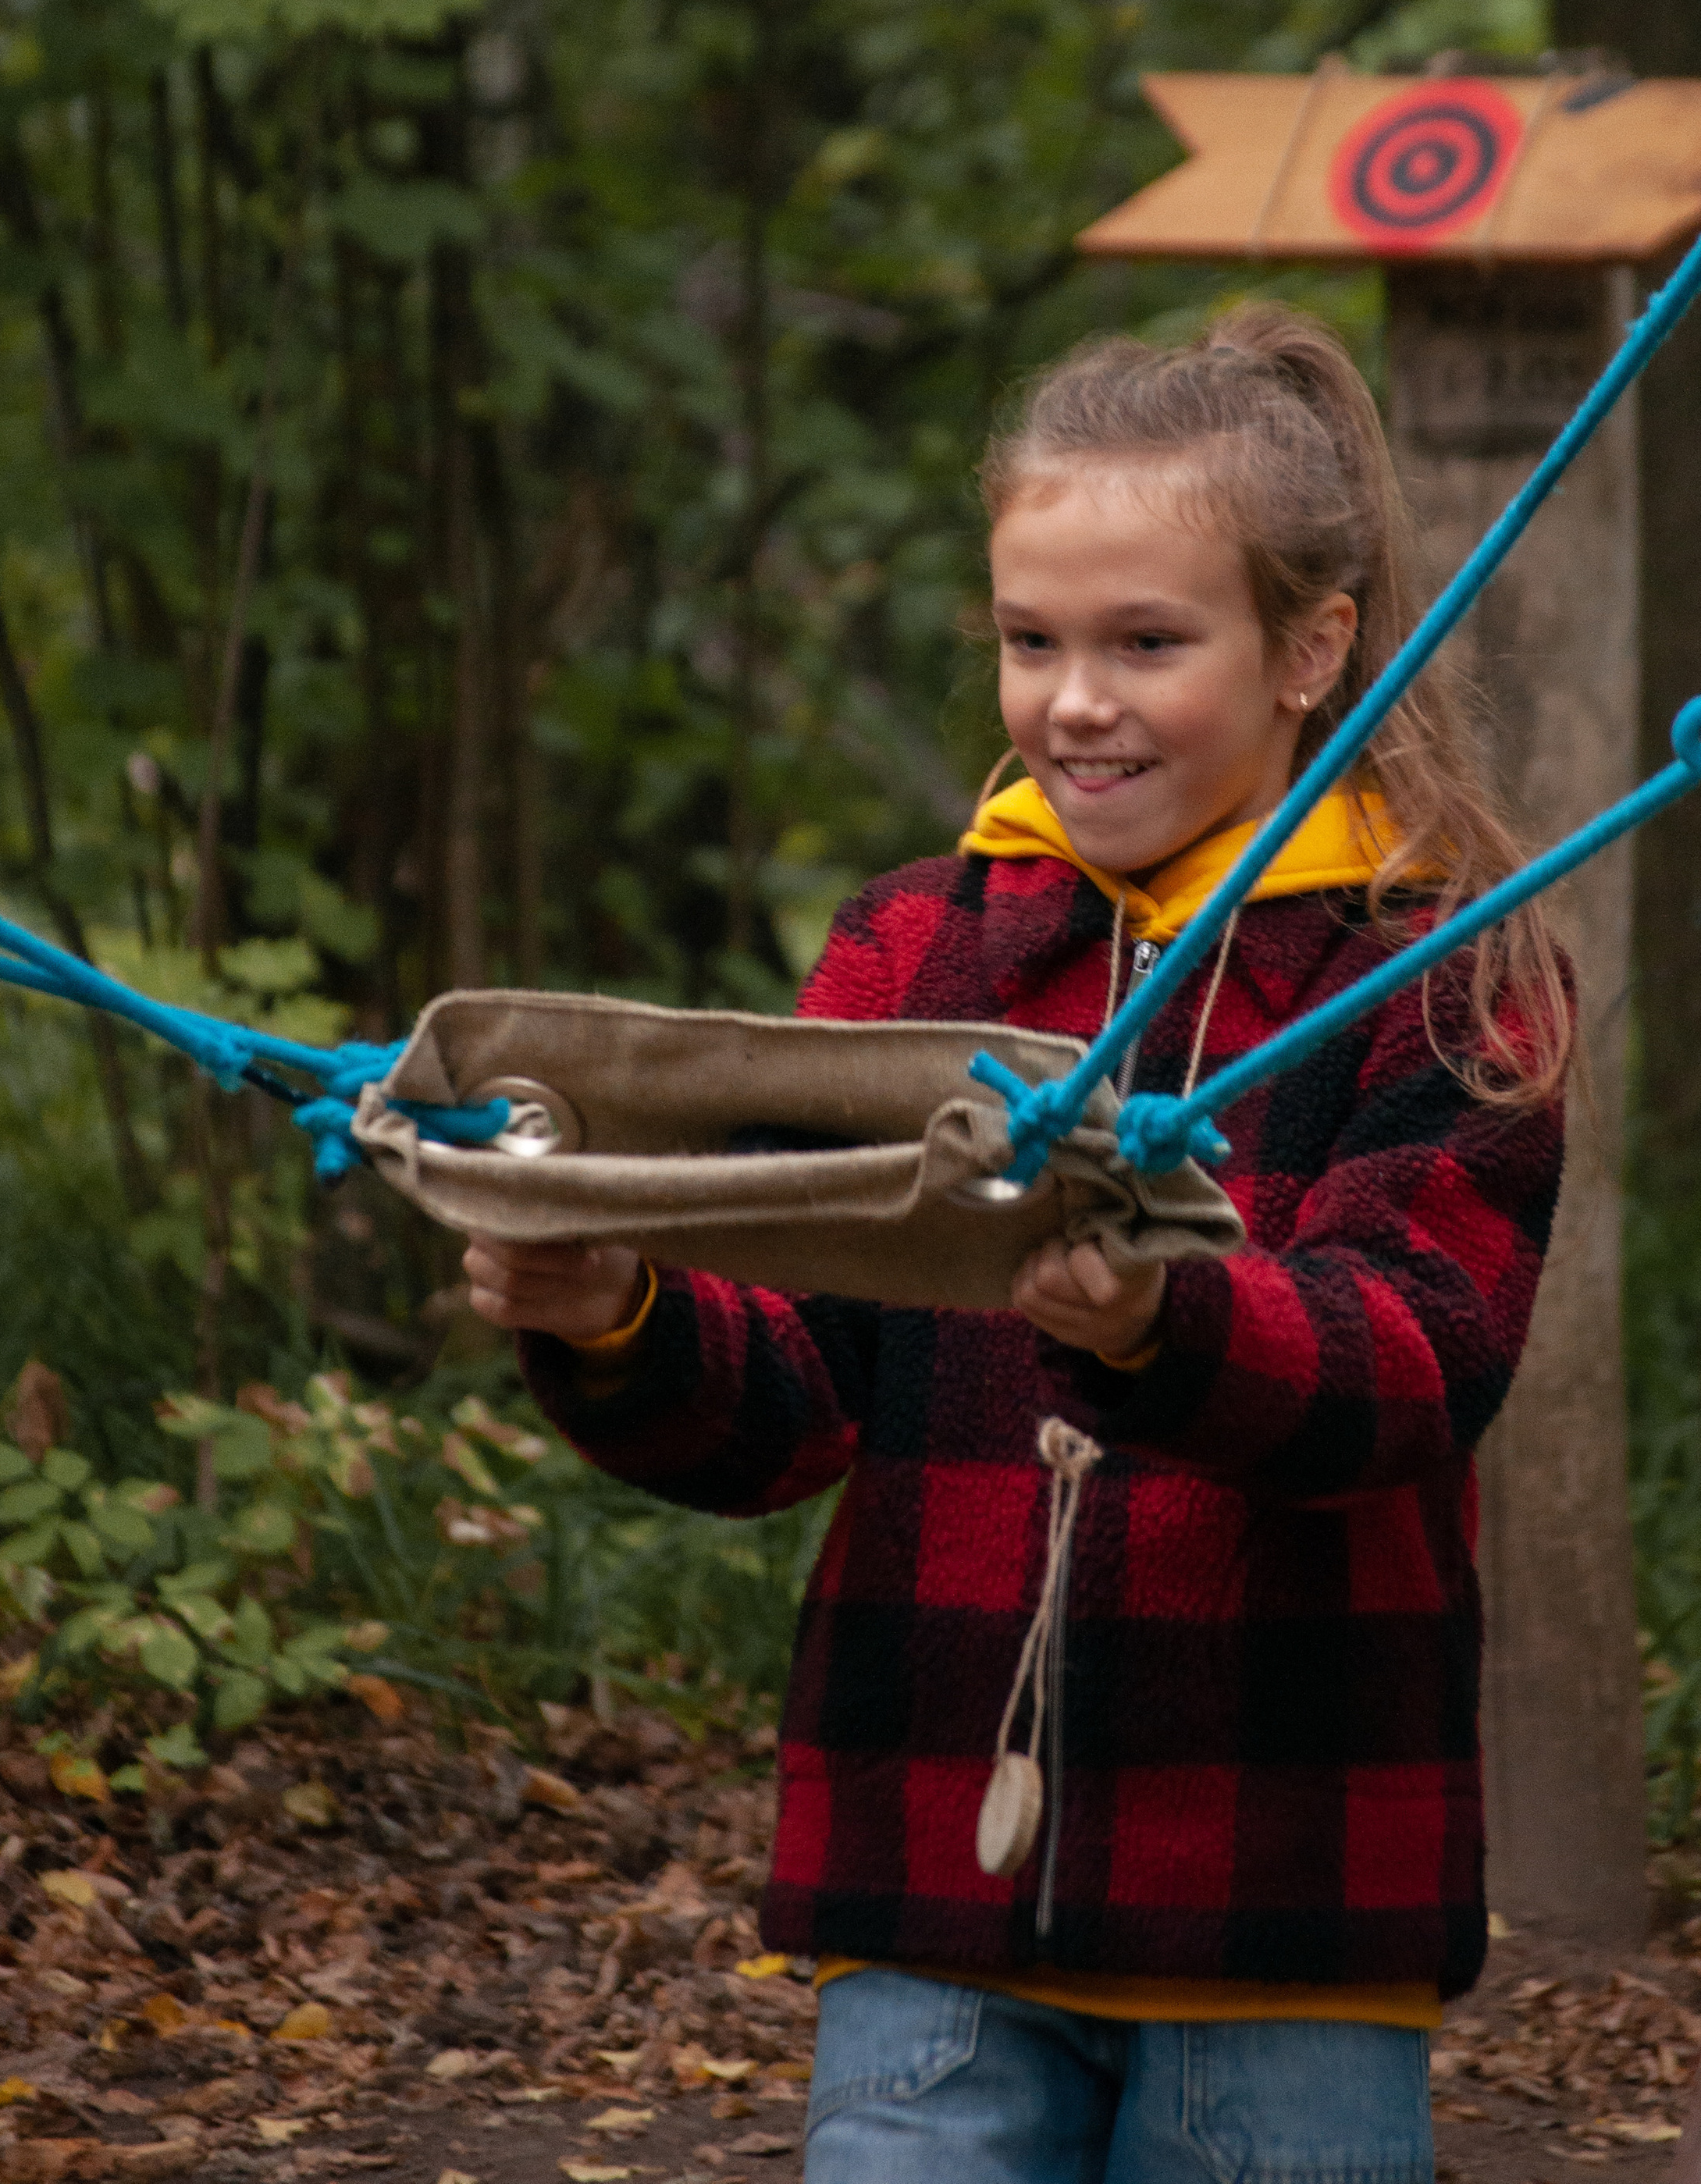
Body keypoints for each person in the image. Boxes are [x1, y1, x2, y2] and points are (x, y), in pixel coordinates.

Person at [465, 302, 1571, 2184]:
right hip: (925, 1895)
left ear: (1310, 649)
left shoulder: (1439, 974)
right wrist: (611, 1305)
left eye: (1148, 640)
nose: (1076, 697)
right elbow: (789, 1390)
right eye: (1029, 638)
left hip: (1282, 1893)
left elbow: (1414, 1363)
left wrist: (1161, 1319)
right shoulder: (915, 956)